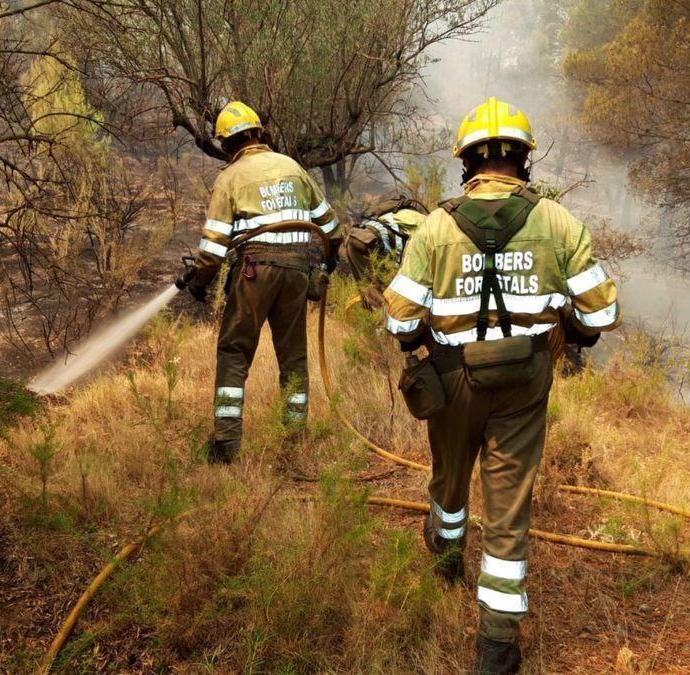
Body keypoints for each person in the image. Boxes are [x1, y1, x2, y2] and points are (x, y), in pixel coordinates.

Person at [382, 97, 621, 673]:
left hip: (452, 374)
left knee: (450, 475)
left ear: (467, 163)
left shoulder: (437, 226)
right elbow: (600, 318)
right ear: (524, 162)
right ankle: (495, 647)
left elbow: (399, 320)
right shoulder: (559, 222)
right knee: (509, 505)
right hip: (525, 380)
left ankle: (445, 556)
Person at [176, 101, 340, 464]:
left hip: (254, 271)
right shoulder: (293, 168)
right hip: (297, 273)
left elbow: (214, 245)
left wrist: (200, 282)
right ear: (258, 134)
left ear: (226, 144)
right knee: (294, 358)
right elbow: (332, 228)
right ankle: (294, 441)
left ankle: (227, 445)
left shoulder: (230, 178)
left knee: (234, 353)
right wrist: (325, 266)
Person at [341, 193, 429, 285]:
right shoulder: (419, 219)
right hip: (373, 240)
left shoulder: (392, 217)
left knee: (371, 287)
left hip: (360, 238)